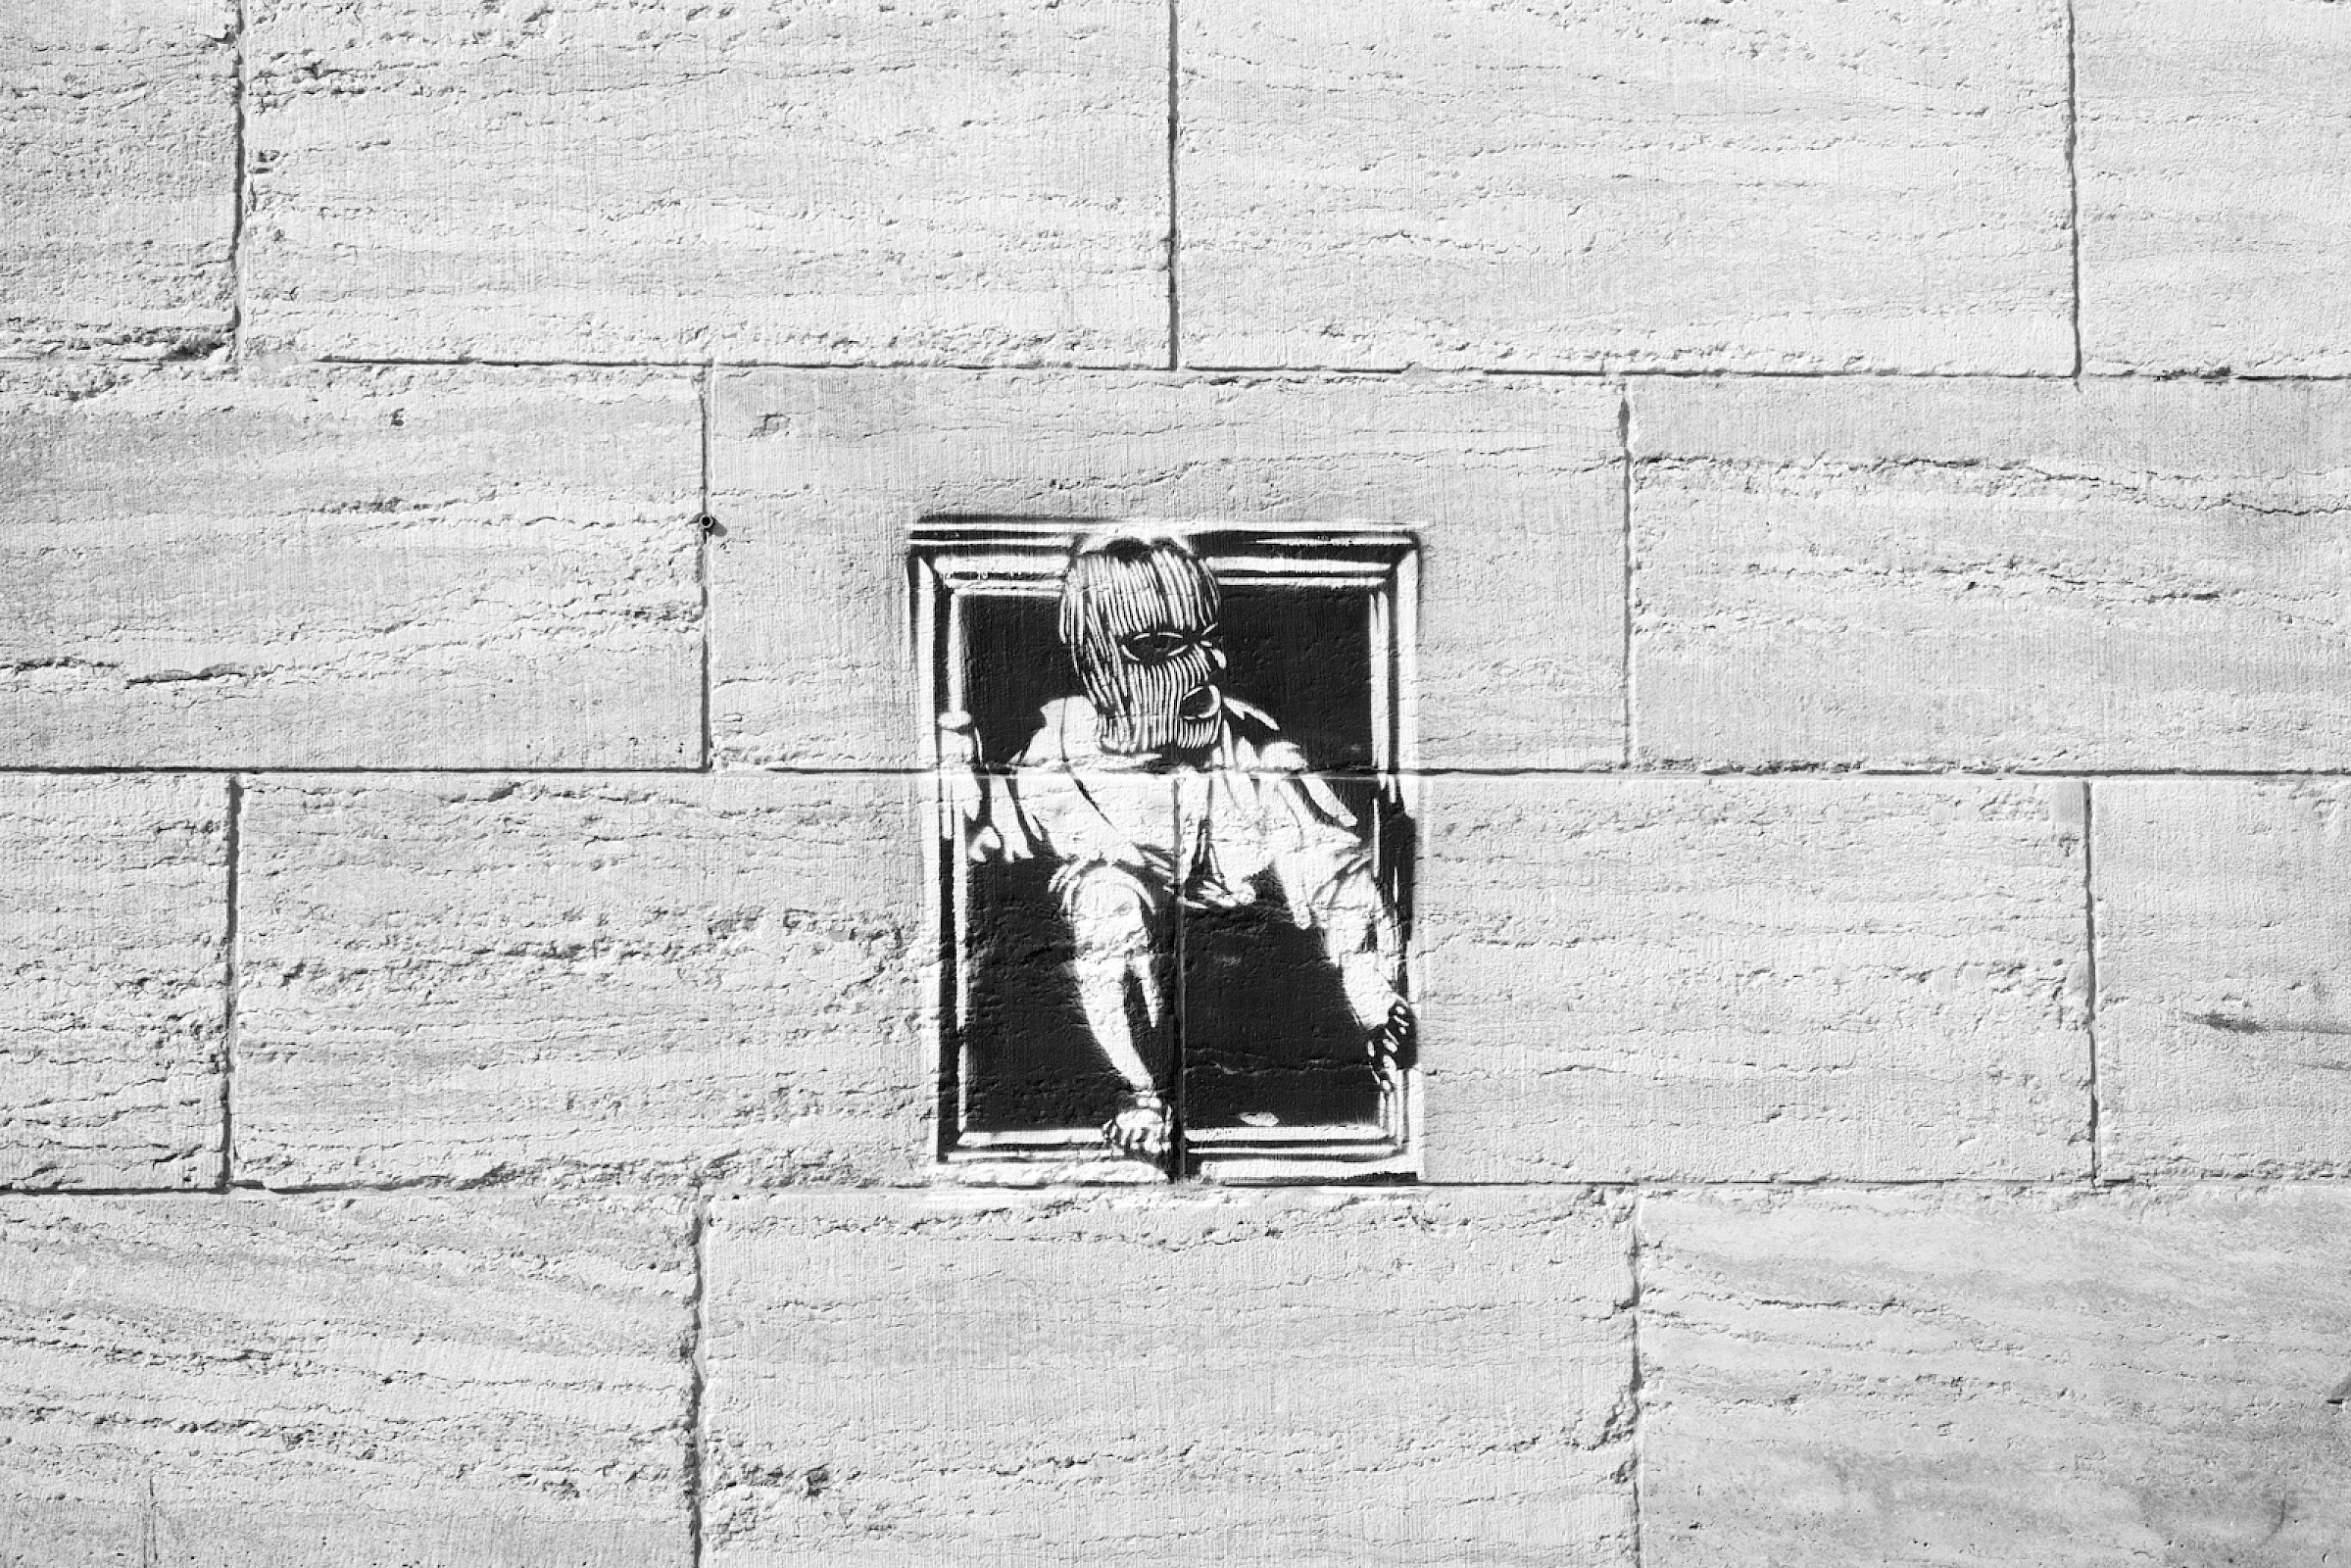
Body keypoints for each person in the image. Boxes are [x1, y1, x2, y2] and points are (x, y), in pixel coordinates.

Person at [947, 531, 1412, 1162]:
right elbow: (993, 849)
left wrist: (1374, 996)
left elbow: (1331, 869)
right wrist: (963, 790)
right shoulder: (1050, 748)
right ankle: (1144, 1095)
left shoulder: (1248, 749)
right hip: (1103, 987)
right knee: (1105, 897)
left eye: (1209, 638)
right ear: (1099, 660)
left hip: (1243, 988)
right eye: (1164, 645)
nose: (1207, 666)